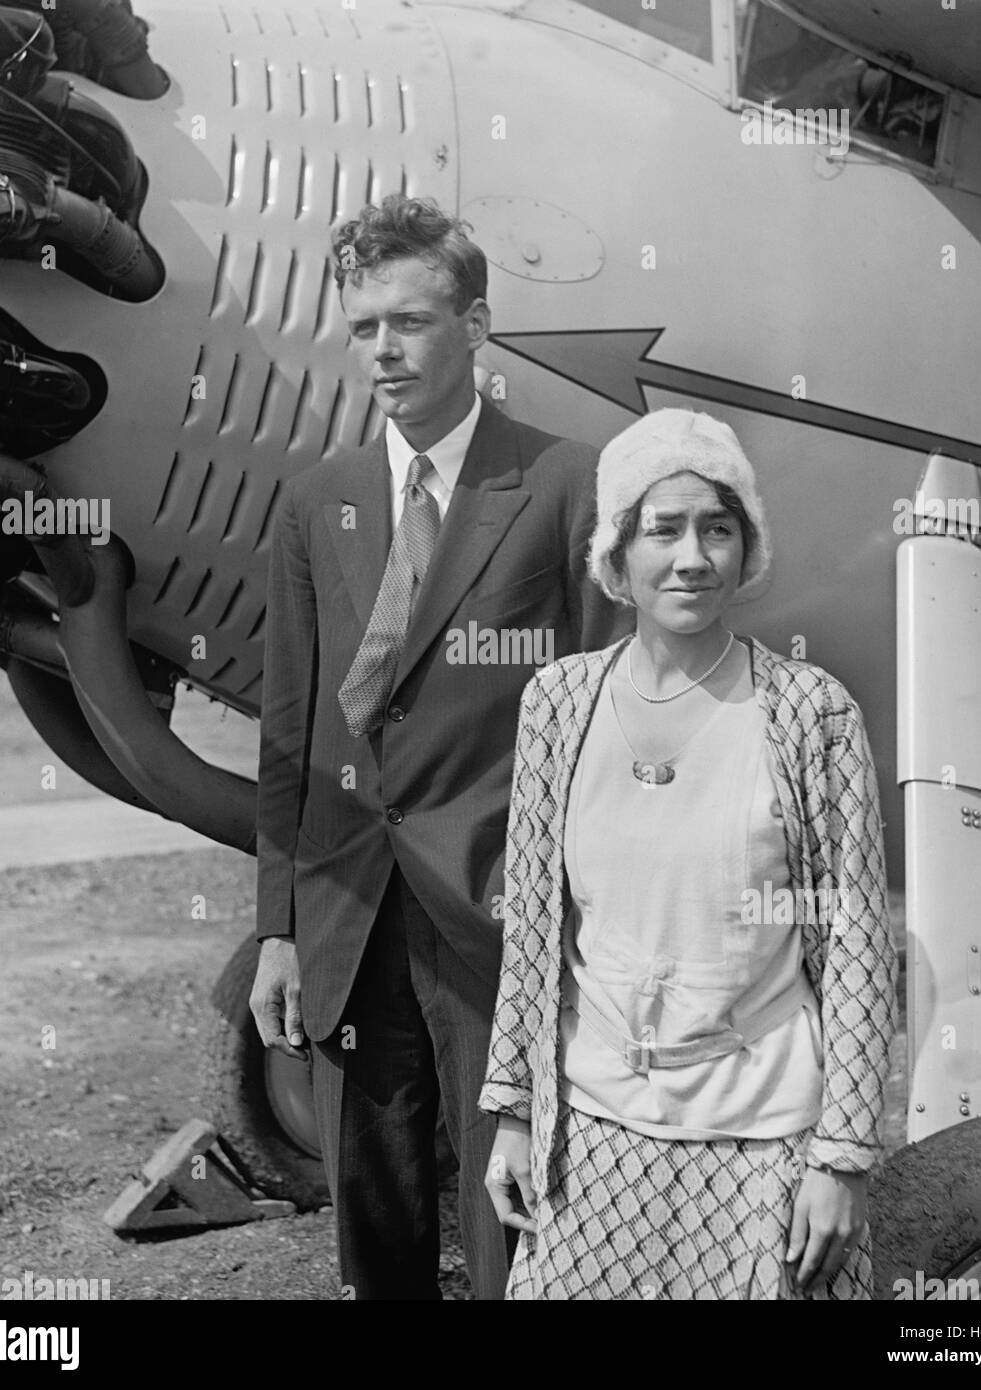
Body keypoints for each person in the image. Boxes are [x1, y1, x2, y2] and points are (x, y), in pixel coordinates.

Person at [249, 194, 629, 1300]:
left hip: (500, 908)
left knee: (515, 1204)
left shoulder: (566, 483)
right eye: (363, 325)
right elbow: (290, 730)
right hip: (346, 909)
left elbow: (611, 715)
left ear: (474, 326)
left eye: (409, 321)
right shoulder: (316, 502)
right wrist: (277, 922)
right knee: (376, 1212)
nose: (383, 349)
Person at [480, 408, 898, 1300]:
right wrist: (514, 1114)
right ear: (618, 557)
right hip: (592, 1145)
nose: (692, 557)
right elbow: (531, 927)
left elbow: (858, 946)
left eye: (718, 528)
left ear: (747, 550)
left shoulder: (808, 713)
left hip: (764, 1154)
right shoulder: (558, 703)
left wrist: (845, 1157)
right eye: (661, 529)